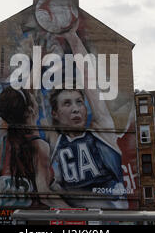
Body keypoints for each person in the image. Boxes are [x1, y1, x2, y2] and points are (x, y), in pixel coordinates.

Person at [47, 22, 128, 209]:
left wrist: (73, 39)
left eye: (79, 102)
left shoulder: (102, 131)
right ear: (55, 114)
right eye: (67, 103)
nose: (76, 109)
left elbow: (90, 81)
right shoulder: (53, 145)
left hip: (113, 217)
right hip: (77, 220)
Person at [0, 86, 68, 208]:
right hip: (33, 215)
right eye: (34, 100)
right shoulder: (39, 146)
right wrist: (76, 213)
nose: (37, 103)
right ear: (30, 110)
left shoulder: (5, 143)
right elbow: (45, 195)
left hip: (6, 212)